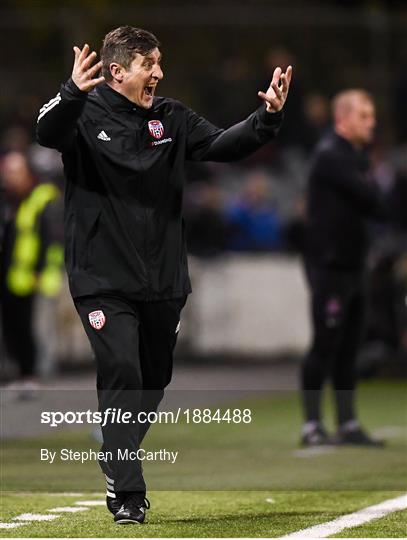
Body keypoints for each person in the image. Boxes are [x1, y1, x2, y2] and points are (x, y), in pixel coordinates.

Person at [36, 26, 292, 524]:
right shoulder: (84, 113)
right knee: (123, 372)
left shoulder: (171, 118)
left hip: (163, 280)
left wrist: (268, 118)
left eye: (159, 62)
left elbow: (222, 144)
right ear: (117, 71)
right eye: (149, 63)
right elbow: (45, 131)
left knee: (153, 380)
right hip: (101, 279)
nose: (159, 72)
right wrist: (70, 91)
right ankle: (128, 494)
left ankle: (116, 451)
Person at [301, 89, 388, 447]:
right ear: (343, 119)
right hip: (330, 266)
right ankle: (311, 425)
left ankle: (347, 422)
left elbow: (375, 206)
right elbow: (374, 201)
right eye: (365, 115)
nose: (372, 122)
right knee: (325, 343)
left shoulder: (355, 155)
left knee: (350, 345)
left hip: (353, 265)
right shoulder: (331, 155)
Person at [0, 151, 64, 395]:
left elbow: (53, 240)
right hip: (15, 277)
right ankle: (23, 373)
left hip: (35, 278)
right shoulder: (10, 201)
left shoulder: (43, 197)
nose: (9, 178)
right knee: (16, 328)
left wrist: (46, 272)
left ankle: (35, 376)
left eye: (14, 172)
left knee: (35, 329)